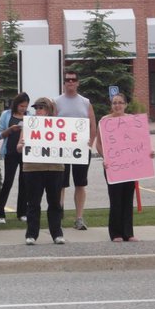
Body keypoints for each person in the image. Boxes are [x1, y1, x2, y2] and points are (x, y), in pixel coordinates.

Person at [96, 93, 154, 242]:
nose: (117, 105)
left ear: (126, 104)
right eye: (114, 103)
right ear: (111, 105)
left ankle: (128, 232)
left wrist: (149, 153)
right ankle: (115, 233)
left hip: (130, 167)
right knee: (115, 199)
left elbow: (141, 143)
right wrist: (105, 158)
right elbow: (99, 144)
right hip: (112, 166)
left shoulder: (133, 121)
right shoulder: (105, 121)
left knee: (128, 199)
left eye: (120, 103)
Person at [17, 97, 65, 245]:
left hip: (54, 168)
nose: (38, 110)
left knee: (55, 202)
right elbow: (18, 147)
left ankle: (57, 233)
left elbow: (68, 142)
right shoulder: (29, 125)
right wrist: (21, 145)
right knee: (33, 203)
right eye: (36, 108)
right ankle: (31, 234)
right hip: (33, 168)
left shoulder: (59, 125)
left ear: (49, 110)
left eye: (41, 108)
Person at [55, 71, 96, 230]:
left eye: (73, 80)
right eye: (67, 80)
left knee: (80, 184)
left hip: (81, 150)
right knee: (60, 184)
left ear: (78, 82)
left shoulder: (85, 102)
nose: (70, 82)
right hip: (62, 149)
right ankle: (58, 215)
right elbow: (50, 124)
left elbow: (93, 125)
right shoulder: (56, 102)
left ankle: (79, 218)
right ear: (64, 83)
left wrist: (90, 144)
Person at [0, 92, 29, 223]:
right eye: (21, 106)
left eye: (25, 106)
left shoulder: (29, 116)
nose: (23, 109)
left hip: (24, 153)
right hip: (10, 152)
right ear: (16, 104)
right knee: (8, 182)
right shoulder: (6, 115)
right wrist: (10, 130)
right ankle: (0, 213)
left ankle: (22, 212)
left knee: (24, 182)